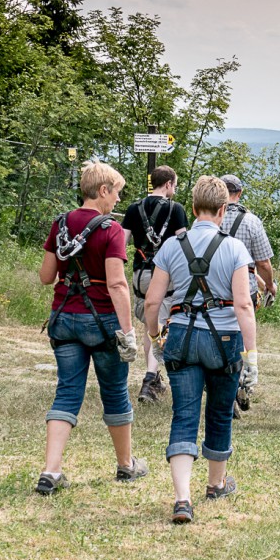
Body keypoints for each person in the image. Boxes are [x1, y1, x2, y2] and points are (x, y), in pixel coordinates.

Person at [143, 175, 257, 524]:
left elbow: (152, 300)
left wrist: (155, 336)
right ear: (224, 209)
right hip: (224, 340)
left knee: (184, 414)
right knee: (220, 413)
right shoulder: (234, 247)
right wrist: (251, 356)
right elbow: (243, 305)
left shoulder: (172, 246)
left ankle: (182, 498)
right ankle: (216, 483)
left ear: (192, 209)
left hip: (181, 336)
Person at [36, 160, 147, 496]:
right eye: (116, 194)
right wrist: (128, 332)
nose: (117, 201)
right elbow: (117, 284)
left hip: (64, 317)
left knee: (67, 391)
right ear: (103, 191)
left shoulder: (61, 224)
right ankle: (126, 465)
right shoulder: (111, 229)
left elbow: (45, 276)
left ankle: (51, 471)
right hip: (101, 320)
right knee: (113, 391)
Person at [121, 165, 188, 403]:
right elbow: (184, 245)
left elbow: (122, 243)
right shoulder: (176, 209)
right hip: (165, 275)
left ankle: (154, 377)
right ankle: (149, 380)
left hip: (140, 274)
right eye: (175, 184)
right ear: (168, 183)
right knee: (159, 325)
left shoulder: (133, 209)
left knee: (150, 324)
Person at [218, 174, 277, 417]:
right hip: (246, 289)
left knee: (219, 338)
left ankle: (225, 391)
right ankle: (239, 385)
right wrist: (270, 285)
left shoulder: (209, 219)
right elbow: (263, 262)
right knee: (241, 341)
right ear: (239, 193)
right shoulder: (252, 221)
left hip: (215, 288)